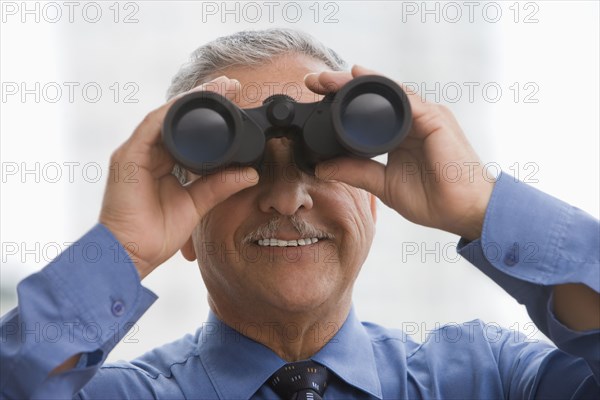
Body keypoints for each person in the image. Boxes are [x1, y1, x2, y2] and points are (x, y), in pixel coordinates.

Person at [1, 28, 598, 399]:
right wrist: (122, 252)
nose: (287, 199)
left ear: (373, 195)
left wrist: (483, 207)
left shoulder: (487, 379)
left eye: (322, 159)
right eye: (244, 166)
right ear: (182, 227)